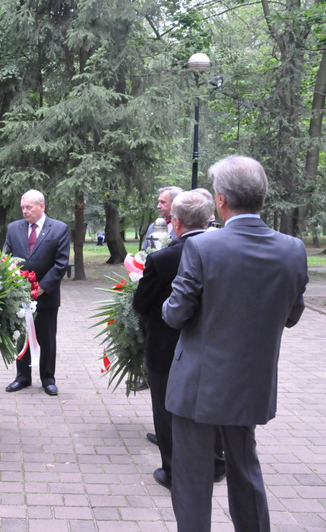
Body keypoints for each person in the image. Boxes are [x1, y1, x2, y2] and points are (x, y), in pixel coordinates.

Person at [162, 156, 308, 531]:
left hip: (198, 384)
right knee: (245, 471)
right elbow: (292, 315)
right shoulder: (293, 249)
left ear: (221, 200)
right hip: (250, 383)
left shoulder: (202, 247)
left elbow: (175, 314)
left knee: (192, 482)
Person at [132, 190, 225, 490]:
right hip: (213, 345)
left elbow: (141, 304)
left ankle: (172, 471)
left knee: (165, 408)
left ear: (176, 222)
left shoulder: (162, 258)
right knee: (210, 404)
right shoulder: (223, 251)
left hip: (166, 346)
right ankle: (217, 463)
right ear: (208, 219)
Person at [3, 190, 70, 396]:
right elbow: (6, 257)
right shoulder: (14, 228)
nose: (24, 211)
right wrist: (13, 283)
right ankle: (22, 377)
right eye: (22, 207)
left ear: (41, 206)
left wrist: (41, 288)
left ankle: (48, 379)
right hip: (19, 296)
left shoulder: (59, 228)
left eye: (28, 207)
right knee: (21, 337)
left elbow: (61, 263)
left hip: (46, 296)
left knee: (47, 339)